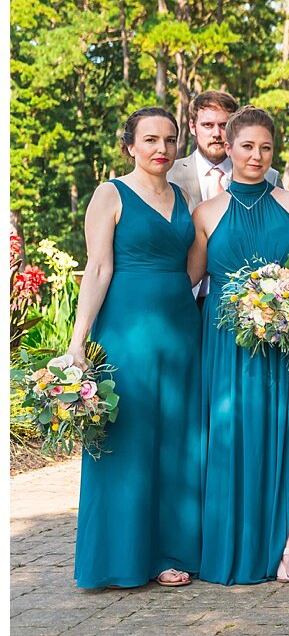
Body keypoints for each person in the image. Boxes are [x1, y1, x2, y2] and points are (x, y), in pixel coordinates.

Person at [188, 107, 289, 585]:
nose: (257, 156)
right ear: (228, 149)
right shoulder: (205, 213)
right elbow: (191, 280)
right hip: (230, 349)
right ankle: (248, 543)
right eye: (248, 146)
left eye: (266, 147)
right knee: (240, 439)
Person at [68, 107, 203, 589]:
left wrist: (171, 299)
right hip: (126, 330)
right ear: (129, 146)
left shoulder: (184, 196)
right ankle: (118, 558)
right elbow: (98, 269)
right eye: (149, 140)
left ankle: (169, 552)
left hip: (181, 331)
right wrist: (77, 343)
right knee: (126, 440)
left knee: (176, 442)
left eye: (168, 140)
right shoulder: (110, 193)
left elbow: (193, 267)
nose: (161, 149)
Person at [167, 91, 281, 304]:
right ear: (193, 127)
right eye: (208, 125)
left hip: (253, 304)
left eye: (223, 125)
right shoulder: (170, 175)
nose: (216, 133)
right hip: (186, 298)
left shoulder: (269, 176)